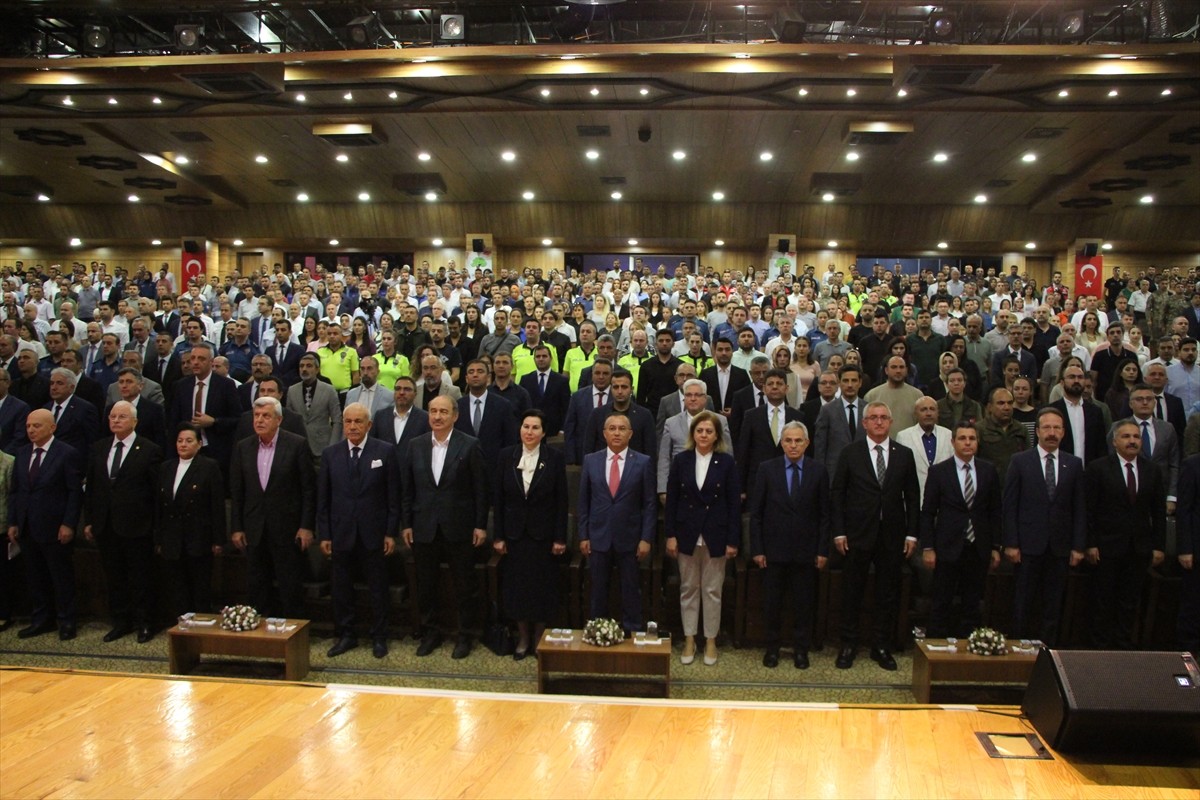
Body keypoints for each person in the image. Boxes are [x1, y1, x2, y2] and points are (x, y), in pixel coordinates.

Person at [830, 401, 920, 670]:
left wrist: (912, 535)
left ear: (890, 423)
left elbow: (913, 497)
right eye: (873, 418)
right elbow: (838, 495)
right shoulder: (850, 453)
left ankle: (881, 645)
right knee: (852, 591)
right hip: (857, 533)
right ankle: (848, 644)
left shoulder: (904, 454)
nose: (879, 422)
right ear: (864, 423)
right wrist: (839, 531)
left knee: (887, 594)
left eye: (883, 418)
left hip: (892, 535)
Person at [400, 395, 490, 660]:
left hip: (459, 527)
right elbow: (408, 489)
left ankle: (465, 636)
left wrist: (480, 525)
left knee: (464, 586)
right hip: (423, 525)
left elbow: (481, 491)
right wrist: (406, 524)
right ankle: (430, 633)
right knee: (426, 585)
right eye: (433, 411)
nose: (437, 416)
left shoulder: (470, 445)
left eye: (443, 411)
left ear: (455, 416)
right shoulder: (415, 445)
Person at [319, 403, 401, 660]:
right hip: (341, 532)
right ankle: (346, 635)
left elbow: (393, 497)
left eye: (358, 422)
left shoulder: (385, 451)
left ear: (369, 425)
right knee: (341, 588)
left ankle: (379, 637)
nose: (352, 426)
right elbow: (323, 499)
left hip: (373, 533)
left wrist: (390, 532)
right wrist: (325, 534)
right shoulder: (330, 454)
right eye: (348, 421)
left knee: (377, 587)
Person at [748, 420, 830, 669]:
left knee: (803, 604)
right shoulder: (767, 469)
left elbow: (825, 514)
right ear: (781, 443)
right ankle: (772, 648)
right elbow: (757, 513)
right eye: (788, 440)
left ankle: (800, 649)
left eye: (798, 441)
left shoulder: (818, 470)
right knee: (772, 603)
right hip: (773, 551)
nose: (793, 445)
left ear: (807, 443)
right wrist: (758, 549)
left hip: (806, 552)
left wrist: (822, 550)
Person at [1003, 408, 1086, 645]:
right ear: (1037, 431)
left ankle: (1048, 651)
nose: (1052, 433)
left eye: (1057, 428)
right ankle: (1019, 649)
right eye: (1047, 428)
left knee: (1053, 602)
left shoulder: (1073, 464)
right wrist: (1011, 542)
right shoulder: (1020, 461)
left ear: (1063, 432)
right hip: (1027, 545)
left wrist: (1078, 545)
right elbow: (1010, 506)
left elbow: (1079, 507)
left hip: (1060, 547)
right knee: (1023, 601)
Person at [229, 396, 317, 618]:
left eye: (266, 416)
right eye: (257, 416)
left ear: (278, 419)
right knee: (257, 584)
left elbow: (308, 489)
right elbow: (238, 491)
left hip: (287, 528)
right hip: (254, 528)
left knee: (289, 584)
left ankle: (293, 632)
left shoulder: (296, 444)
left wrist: (306, 526)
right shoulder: (243, 447)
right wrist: (237, 527)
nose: (259, 420)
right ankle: (260, 633)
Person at [664, 411, 740, 666]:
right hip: (686, 533)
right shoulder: (681, 460)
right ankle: (689, 638)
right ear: (692, 434)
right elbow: (672, 500)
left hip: (716, 534)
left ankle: (710, 640)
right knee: (688, 589)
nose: (704, 435)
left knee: (712, 590)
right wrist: (671, 535)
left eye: (709, 431)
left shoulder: (726, 462)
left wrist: (733, 540)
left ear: (717, 435)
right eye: (699, 431)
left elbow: (733, 505)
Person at [83, 400, 163, 643]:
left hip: (137, 526)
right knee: (114, 577)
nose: (115, 420)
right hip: (106, 525)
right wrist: (90, 521)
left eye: (121, 417)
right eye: (112, 417)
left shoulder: (149, 450)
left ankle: (146, 622)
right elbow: (93, 488)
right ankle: (121, 621)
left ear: (135, 422)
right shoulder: (99, 448)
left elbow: (156, 494)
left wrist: (155, 527)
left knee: (141, 578)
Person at [492, 409, 568, 660]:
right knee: (517, 589)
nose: (529, 432)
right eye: (526, 426)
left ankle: (538, 637)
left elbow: (561, 501)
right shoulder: (506, 456)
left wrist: (559, 537)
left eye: (535, 427)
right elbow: (499, 500)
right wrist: (499, 535)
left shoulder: (554, 458)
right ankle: (522, 637)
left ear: (544, 432)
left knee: (540, 589)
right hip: (514, 536)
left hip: (543, 536)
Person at [1084, 419, 1166, 650]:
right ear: (1114, 441)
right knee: (1102, 601)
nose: (1132, 441)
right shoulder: (1098, 468)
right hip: (1106, 547)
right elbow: (1089, 510)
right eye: (1126, 437)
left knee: (1129, 602)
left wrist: (1158, 546)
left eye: (1136, 437)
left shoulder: (1152, 470)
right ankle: (1099, 648)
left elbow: (1158, 511)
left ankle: (1123, 647)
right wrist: (1090, 543)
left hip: (1138, 548)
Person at [7, 409, 84, 641]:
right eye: (29, 426)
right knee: (35, 577)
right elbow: (16, 491)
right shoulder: (21, 453)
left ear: (52, 428)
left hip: (55, 526)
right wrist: (13, 521)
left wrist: (69, 524)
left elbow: (74, 493)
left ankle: (67, 620)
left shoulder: (66, 453)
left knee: (60, 577)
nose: (31, 430)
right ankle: (42, 619)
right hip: (28, 526)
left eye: (37, 426)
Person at [919, 423, 1001, 638]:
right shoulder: (939, 471)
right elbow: (927, 512)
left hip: (978, 547)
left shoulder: (988, 470)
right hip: (947, 547)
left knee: (972, 603)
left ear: (977, 442)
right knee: (941, 601)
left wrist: (995, 546)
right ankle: (935, 648)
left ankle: (968, 649)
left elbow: (995, 511)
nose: (967, 443)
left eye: (972, 439)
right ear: (953, 442)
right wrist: (928, 547)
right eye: (962, 438)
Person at [578, 411, 656, 633]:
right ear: (604, 433)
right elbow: (583, 502)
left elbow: (649, 504)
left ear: (630, 434)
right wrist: (583, 535)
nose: (617, 433)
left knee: (631, 589)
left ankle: (632, 632)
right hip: (598, 537)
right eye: (612, 428)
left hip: (630, 538)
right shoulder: (591, 460)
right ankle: (597, 632)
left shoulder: (643, 462)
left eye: (622, 429)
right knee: (598, 590)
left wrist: (646, 538)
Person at [155, 422, 225, 618]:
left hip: (198, 537)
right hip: (172, 538)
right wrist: (159, 539)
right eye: (179, 441)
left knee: (200, 586)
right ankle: (181, 626)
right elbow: (159, 506)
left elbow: (216, 506)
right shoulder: (166, 467)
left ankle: (200, 627)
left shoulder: (208, 467)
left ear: (199, 444)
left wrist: (218, 540)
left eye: (188, 441)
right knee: (177, 587)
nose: (183, 445)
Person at [167, 346, 241, 475]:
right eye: (193, 358)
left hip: (216, 449)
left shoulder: (226, 385)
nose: (195, 362)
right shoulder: (180, 386)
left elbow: (237, 419)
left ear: (211, 362)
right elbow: (173, 421)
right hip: (187, 450)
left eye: (201, 359)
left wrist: (214, 421)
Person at [455, 359, 516, 463]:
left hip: (495, 466)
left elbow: (510, 440)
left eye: (480, 371)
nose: (475, 375)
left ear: (488, 377)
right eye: (471, 372)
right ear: (466, 378)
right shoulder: (457, 406)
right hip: (463, 467)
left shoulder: (503, 405)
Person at [896, 396, 954, 505]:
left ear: (938, 413)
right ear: (915, 414)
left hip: (945, 501)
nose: (928, 413)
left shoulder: (949, 435)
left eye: (932, 409)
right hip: (915, 501)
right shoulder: (903, 436)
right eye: (923, 410)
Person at [813, 365, 867, 478]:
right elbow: (820, 446)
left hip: (864, 473)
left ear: (860, 383)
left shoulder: (868, 409)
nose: (850, 385)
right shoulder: (827, 410)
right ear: (839, 384)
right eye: (846, 381)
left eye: (854, 381)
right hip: (835, 473)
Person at [287, 353, 343, 459]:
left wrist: (333, 445)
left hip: (323, 446)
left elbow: (337, 420)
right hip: (298, 447)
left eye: (309, 366)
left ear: (317, 370)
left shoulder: (329, 390)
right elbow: (289, 420)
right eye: (301, 366)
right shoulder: (292, 390)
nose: (304, 369)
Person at [518, 345, 571, 436]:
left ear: (551, 358)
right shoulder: (525, 380)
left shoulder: (562, 380)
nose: (541, 359)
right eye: (538, 356)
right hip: (531, 430)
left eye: (544, 356)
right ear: (534, 359)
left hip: (554, 431)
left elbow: (565, 407)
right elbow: (521, 406)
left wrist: (563, 429)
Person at [1177, 454, 1200, 658]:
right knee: (1193, 605)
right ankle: (1189, 654)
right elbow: (1184, 510)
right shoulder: (1192, 465)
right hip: (1195, 551)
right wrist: (1185, 548)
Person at [369, 376, 430, 448]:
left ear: (415, 394)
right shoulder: (380, 416)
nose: (401, 392)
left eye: (407, 389)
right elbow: (372, 444)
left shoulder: (425, 418)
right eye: (398, 389)